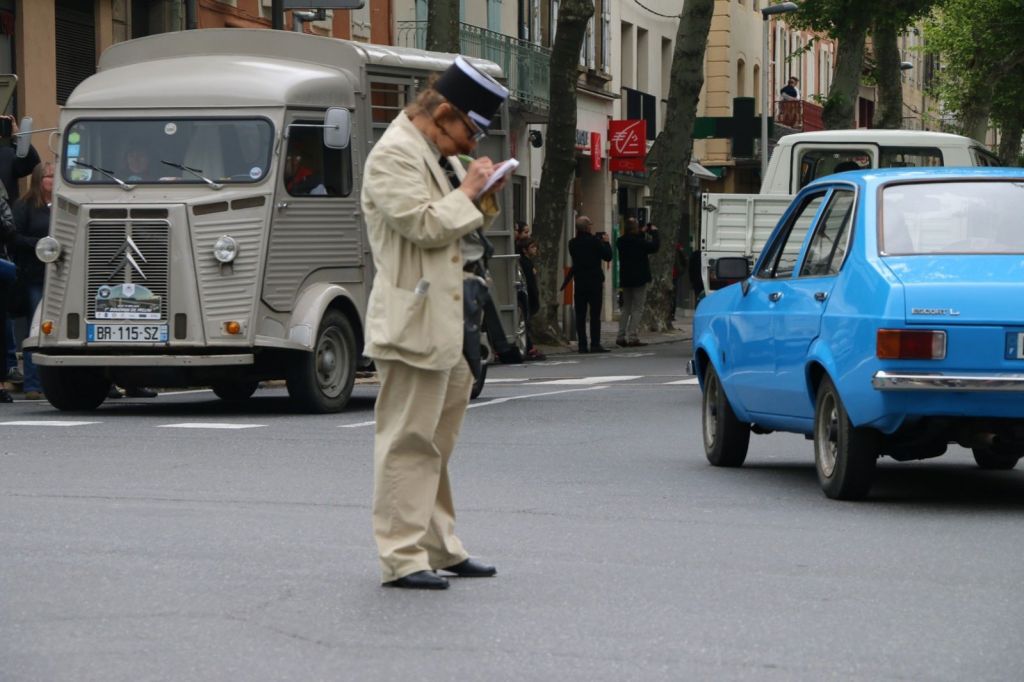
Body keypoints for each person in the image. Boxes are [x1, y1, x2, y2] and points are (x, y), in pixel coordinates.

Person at [361, 55, 509, 590]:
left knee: (437, 443)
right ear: (443, 112)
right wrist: (469, 191)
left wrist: (481, 196)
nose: (470, 145)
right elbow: (424, 225)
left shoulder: (428, 149)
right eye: (468, 131)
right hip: (415, 317)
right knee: (408, 441)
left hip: (450, 313)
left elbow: (454, 226)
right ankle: (402, 556)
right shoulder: (393, 155)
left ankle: (440, 546)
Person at [0, 114, 40, 383]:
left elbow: (31, 163)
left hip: (3, 240)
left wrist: (18, 136)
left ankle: (9, 363)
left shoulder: (5, 154)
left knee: (3, 309)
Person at [10, 162, 53, 400]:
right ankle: (33, 384)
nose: (54, 180)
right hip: (35, 274)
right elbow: (14, 236)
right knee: (35, 329)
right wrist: (40, 245)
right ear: (39, 180)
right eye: (49, 176)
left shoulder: (63, 206)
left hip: (59, 275)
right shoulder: (25, 206)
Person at [568, 215, 612, 353]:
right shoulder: (595, 242)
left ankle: (582, 344)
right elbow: (607, 256)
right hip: (594, 281)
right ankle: (595, 343)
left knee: (580, 315)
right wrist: (606, 242)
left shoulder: (572, 243)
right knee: (595, 314)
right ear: (588, 227)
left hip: (580, 281)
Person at [615, 218, 660, 347]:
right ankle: (632, 336)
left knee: (626, 308)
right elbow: (654, 247)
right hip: (639, 278)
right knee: (637, 308)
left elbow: (633, 239)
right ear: (635, 229)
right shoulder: (640, 243)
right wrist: (654, 233)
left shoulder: (621, 241)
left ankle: (620, 336)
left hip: (626, 278)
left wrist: (640, 232)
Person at [517, 238, 545, 361]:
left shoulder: (527, 262)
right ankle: (529, 348)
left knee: (526, 323)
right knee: (525, 323)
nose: (535, 249)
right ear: (525, 250)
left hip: (528, 295)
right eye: (532, 247)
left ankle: (529, 346)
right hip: (527, 296)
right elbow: (530, 283)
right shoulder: (525, 263)